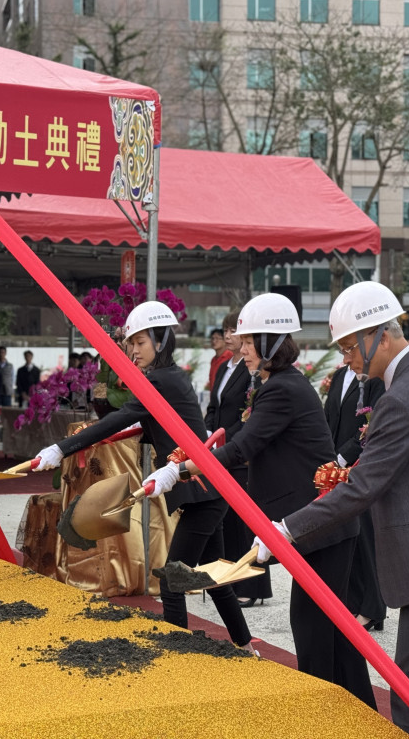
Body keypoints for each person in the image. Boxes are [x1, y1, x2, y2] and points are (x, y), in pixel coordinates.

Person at [246, 281, 409, 738]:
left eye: (350, 347)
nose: (346, 358)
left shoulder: (398, 401)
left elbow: (361, 490)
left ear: (381, 337)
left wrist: (285, 530)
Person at [145, 294, 375, 708]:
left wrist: (178, 471)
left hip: (319, 525)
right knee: (331, 630)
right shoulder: (279, 384)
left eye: (249, 341)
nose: (240, 348)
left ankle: (322, 714)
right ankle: (355, 713)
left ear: (270, 343)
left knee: (313, 630)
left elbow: (240, 448)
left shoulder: (282, 389)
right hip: (320, 524)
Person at [31, 301, 256, 654]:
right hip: (205, 489)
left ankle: (174, 655)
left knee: (172, 578)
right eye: (131, 343)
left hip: (200, 490)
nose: (133, 350)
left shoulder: (161, 379)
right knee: (211, 575)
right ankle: (245, 645)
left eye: (141, 342)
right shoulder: (169, 377)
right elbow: (143, 422)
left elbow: (122, 417)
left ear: (162, 341)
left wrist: (62, 448)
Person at [205, 310, 268, 607]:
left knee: (243, 520)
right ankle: (231, 576)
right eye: (226, 330)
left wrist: (224, 440)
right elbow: (214, 406)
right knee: (226, 520)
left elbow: (249, 412)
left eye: (234, 330)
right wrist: (206, 433)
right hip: (218, 447)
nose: (229, 336)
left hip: (237, 448)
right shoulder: (222, 367)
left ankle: (252, 585)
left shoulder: (251, 369)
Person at [326, 360, 387, 633]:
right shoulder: (340, 375)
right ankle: (352, 601)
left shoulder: (375, 378)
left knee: (366, 538)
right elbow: (330, 418)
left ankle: (374, 608)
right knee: (349, 535)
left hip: (362, 466)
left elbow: (372, 423)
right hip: (337, 468)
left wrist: (342, 456)